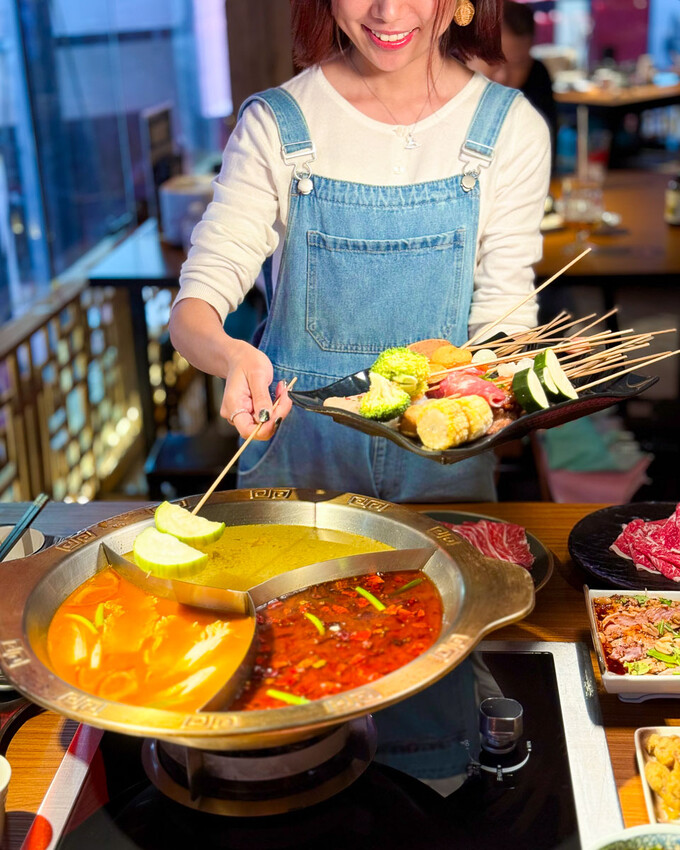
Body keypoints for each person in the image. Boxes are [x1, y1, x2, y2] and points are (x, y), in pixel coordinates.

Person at [169, 0, 551, 503]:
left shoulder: (511, 128)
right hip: (299, 458)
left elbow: (506, 309)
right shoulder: (277, 123)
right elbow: (194, 308)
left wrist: (500, 374)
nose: (387, 11)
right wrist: (231, 355)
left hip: (442, 461)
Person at [469, 0, 557, 153]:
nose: (502, 77)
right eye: (492, 61)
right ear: (465, 53)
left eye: (518, 64)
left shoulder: (537, 78)